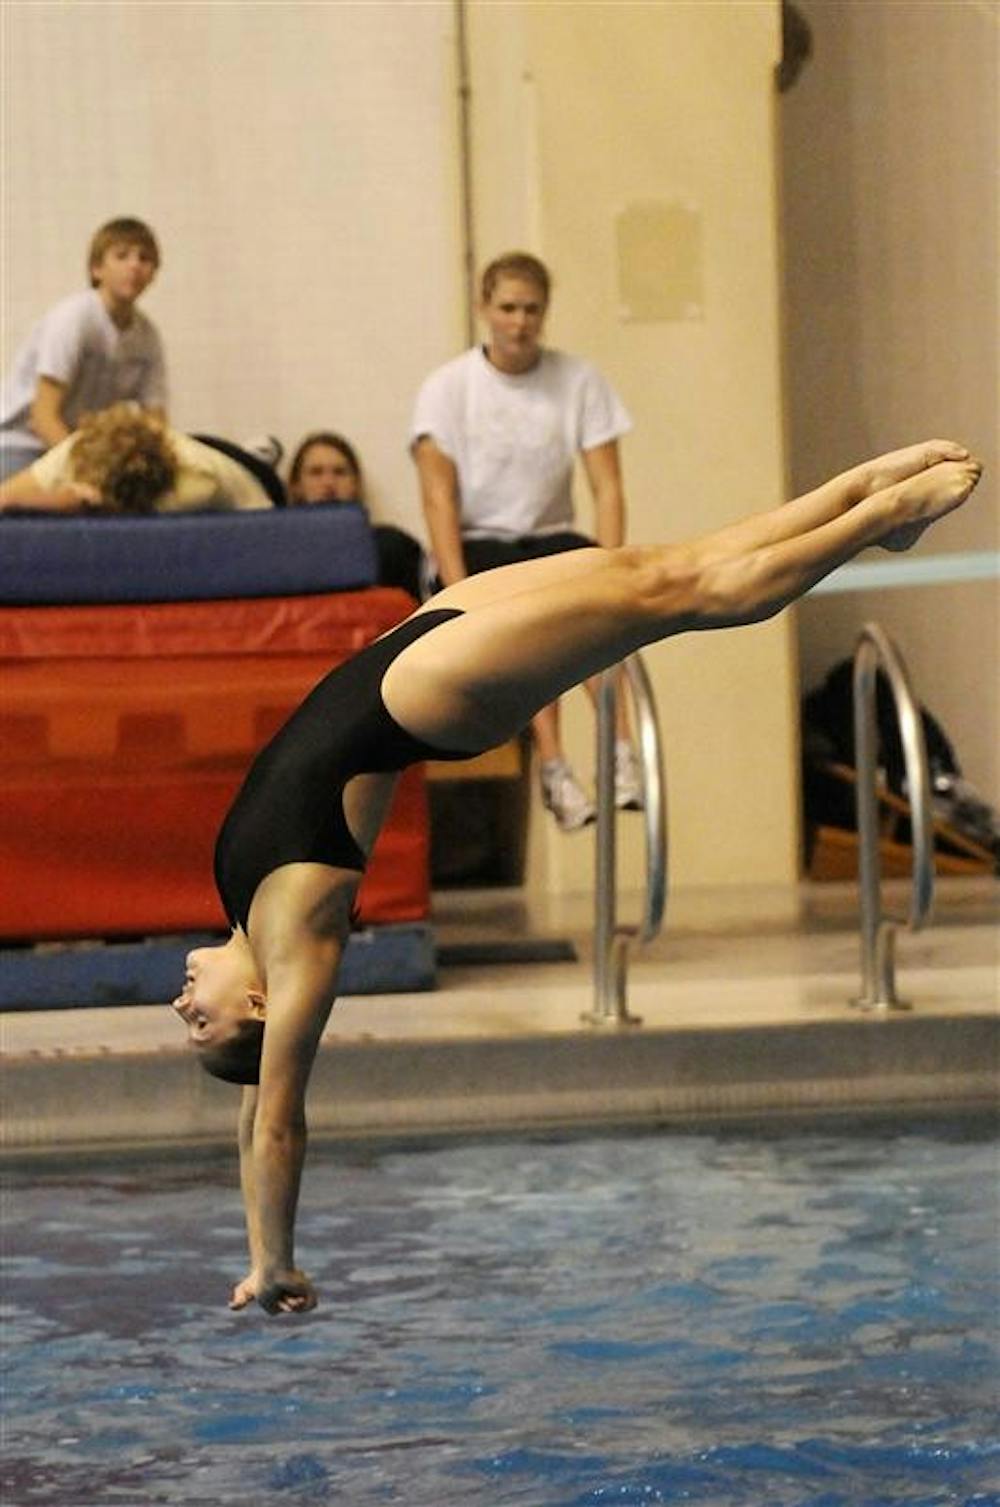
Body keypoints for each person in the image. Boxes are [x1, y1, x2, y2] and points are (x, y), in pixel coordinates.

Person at [170, 438, 982, 1316]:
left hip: (411, 645)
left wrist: (243, 1091)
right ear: (259, 1009)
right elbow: (280, 1121)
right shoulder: (298, 949)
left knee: (644, 566)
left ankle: (854, 487)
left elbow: (251, 1112)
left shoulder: (241, 903)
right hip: (435, 691)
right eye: (201, 1025)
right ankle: (880, 517)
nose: (182, 1007)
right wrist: (273, 1260)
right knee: (683, 597)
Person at [411, 251, 639, 831]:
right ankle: (555, 763)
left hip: (551, 535)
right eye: (508, 308)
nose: (519, 322)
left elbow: (607, 485)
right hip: (481, 541)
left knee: (598, 621)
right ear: (485, 308)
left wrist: (609, 567)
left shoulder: (578, 379)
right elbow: (438, 496)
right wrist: (460, 590)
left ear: (545, 313)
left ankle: (622, 750)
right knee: (534, 633)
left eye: (531, 310)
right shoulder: (447, 388)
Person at [1, 218, 167, 481]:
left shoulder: (147, 336)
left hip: (77, 450)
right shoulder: (74, 319)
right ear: (96, 269)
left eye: (144, 258)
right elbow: (43, 417)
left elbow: (156, 422)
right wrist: (88, 469)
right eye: (122, 256)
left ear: (154, 273)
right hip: (23, 444)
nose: (134, 265)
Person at [0, 403, 275, 514]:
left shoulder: (195, 481)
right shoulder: (74, 450)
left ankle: (257, 456)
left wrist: (68, 500)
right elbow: (6, 497)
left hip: (252, 486)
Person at [287, 431, 424, 600]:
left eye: (339, 472)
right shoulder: (280, 553)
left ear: (355, 484)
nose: (328, 483)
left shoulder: (393, 547)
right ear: (296, 485)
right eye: (316, 472)